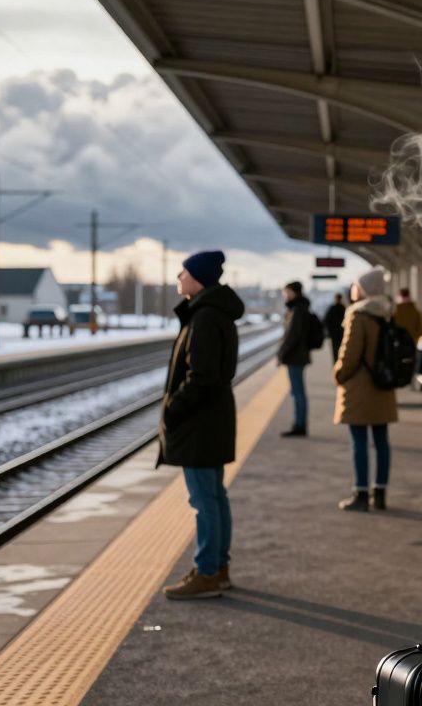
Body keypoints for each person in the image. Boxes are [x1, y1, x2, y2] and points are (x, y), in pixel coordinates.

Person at [158, 249, 245, 600]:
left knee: (204, 501)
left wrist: (173, 408)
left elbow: (202, 376)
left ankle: (207, 571)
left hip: (199, 421)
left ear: (199, 279)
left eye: (184, 272)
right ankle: (217, 568)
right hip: (212, 419)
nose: (179, 277)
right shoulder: (213, 313)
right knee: (214, 497)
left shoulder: (205, 317)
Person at [333, 267, 398, 512]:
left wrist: (338, 375)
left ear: (365, 288)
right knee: (382, 441)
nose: (352, 289)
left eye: (355, 285)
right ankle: (379, 493)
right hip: (383, 384)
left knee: (359, 441)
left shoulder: (357, 315)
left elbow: (349, 354)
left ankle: (360, 493)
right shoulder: (388, 313)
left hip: (360, 386)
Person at [278, 281, 314, 437]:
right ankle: (299, 423)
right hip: (299, 355)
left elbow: (292, 335)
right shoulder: (300, 307)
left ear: (293, 292)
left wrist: (282, 354)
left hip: (295, 357)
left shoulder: (297, 309)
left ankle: (299, 425)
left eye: (286, 292)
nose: (284, 295)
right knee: (298, 391)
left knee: (297, 392)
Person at [323, 292, 346, 363]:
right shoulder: (344, 309)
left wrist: (328, 331)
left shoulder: (332, 308)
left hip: (334, 334)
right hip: (342, 334)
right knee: (343, 350)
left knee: (335, 351)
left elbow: (325, 321)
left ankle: (337, 366)